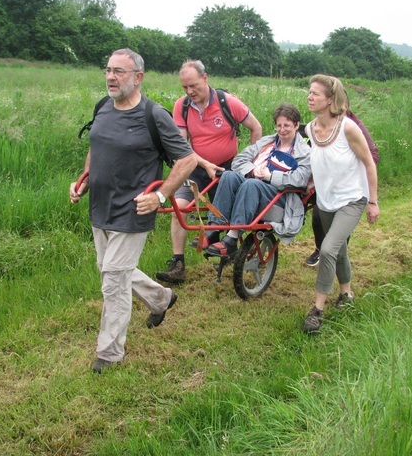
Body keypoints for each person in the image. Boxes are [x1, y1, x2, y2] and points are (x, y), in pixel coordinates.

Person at [69, 48, 197, 373]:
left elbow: (187, 159)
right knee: (111, 270)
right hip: (100, 206)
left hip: (134, 210)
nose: (111, 77)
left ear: (138, 77)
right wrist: (84, 180)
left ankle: (109, 354)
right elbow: (95, 148)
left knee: (113, 280)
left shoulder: (154, 115)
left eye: (119, 72)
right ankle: (160, 299)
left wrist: (162, 196)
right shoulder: (102, 108)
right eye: (108, 70)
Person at [156, 60, 262, 284]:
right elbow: (181, 146)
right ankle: (178, 263)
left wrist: (251, 162)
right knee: (180, 209)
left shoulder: (228, 102)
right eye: (184, 87)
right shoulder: (181, 106)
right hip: (195, 169)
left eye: (193, 85)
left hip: (226, 168)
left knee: (229, 214)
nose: (189, 91)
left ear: (205, 78)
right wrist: (204, 164)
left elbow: (256, 128)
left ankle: (230, 251)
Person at [302, 75, 379, 334]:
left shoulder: (348, 128)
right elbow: (318, 159)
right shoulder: (311, 128)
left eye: (315, 94)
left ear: (331, 99)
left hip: (352, 199)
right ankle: (347, 294)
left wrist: (373, 201)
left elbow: (369, 162)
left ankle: (317, 309)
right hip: (325, 201)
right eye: (309, 92)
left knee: (327, 250)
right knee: (340, 250)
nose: (310, 97)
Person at [201, 103, 311, 256]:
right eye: (279, 125)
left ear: (296, 125)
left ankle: (232, 238)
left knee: (252, 184)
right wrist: (252, 170)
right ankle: (213, 230)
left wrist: (270, 176)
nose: (282, 129)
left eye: (287, 125)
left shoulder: (304, 152)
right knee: (228, 175)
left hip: (280, 196)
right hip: (255, 186)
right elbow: (239, 160)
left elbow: (301, 179)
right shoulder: (267, 142)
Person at [304, 93, 379, 268]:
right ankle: (320, 248)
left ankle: (333, 252)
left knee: (337, 227)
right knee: (317, 218)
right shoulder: (317, 126)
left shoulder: (353, 126)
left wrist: (353, 169)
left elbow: (371, 156)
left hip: (349, 189)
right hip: (327, 187)